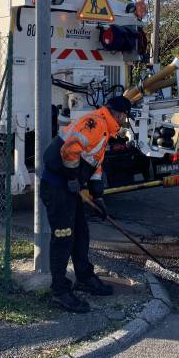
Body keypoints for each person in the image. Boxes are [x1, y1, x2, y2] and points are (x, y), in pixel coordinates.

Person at [40, 95, 133, 312]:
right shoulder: (96, 123)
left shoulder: (104, 130)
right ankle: (60, 292)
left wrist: (97, 196)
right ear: (119, 114)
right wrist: (73, 177)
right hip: (56, 187)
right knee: (63, 238)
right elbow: (70, 149)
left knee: (81, 234)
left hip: (71, 188)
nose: (124, 121)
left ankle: (84, 277)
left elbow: (95, 165)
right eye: (125, 117)